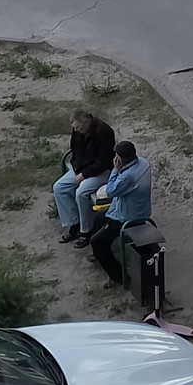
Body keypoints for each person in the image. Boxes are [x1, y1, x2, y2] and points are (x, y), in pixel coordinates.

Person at [86, 140, 153, 285]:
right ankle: (100, 256)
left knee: (97, 242)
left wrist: (115, 170)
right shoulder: (143, 163)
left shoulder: (127, 176)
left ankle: (120, 278)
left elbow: (110, 191)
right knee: (99, 217)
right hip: (140, 209)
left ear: (120, 159)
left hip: (126, 217)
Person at [52, 108, 116, 244]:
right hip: (83, 168)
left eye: (77, 127)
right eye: (74, 128)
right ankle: (74, 223)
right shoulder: (78, 131)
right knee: (59, 187)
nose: (75, 130)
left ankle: (86, 230)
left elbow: (103, 161)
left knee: (81, 193)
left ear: (86, 122)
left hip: (102, 171)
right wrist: (77, 169)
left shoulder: (104, 132)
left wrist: (84, 174)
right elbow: (75, 151)